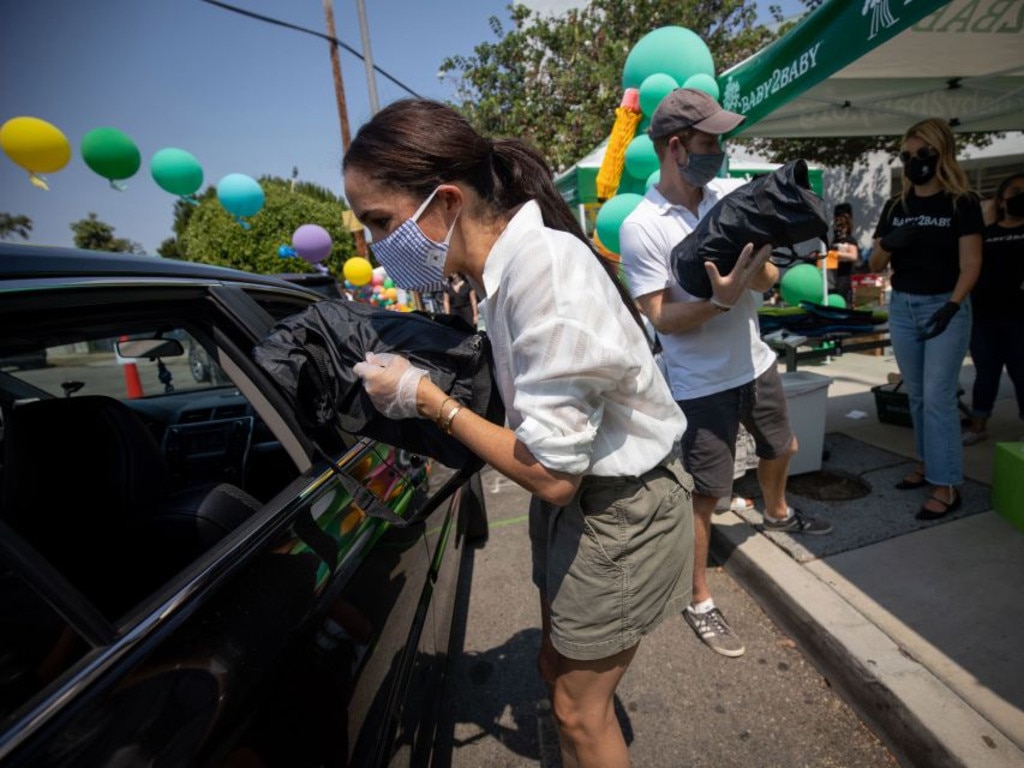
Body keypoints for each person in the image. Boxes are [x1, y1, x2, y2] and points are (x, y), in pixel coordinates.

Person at [344, 98, 694, 768]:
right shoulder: (500, 275)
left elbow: (553, 475)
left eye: (381, 223)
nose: (377, 247)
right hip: (582, 504)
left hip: (615, 509)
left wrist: (424, 399)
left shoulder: (545, 276)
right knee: (555, 664)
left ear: (444, 204)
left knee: (576, 714)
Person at [619, 88, 833, 660]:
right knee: (707, 494)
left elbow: (762, 281)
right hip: (699, 382)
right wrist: (717, 302)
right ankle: (698, 597)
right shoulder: (642, 227)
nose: (720, 150)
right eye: (710, 141)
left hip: (754, 361)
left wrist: (754, 274)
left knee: (782, 444)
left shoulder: (730, 197)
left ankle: (777, 512)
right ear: (676, 146)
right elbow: (662, 316)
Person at [869, 117, 984, 520]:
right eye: (907, 155)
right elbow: (874, 261)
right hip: (902, 305)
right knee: (916, 395)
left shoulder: (961, 203)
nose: (915, 161)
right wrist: (889, 242)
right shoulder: (896, 207)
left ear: (942, 154)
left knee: (938, 398)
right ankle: (927, 463)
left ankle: (948, 483)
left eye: (924, 154)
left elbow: (971, 264)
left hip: (944, 305)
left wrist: (952, 306)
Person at [962, 172, 1024, 445]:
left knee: (1022, 372)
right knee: (986, 373)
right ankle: (978, 425)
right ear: (1001, 200)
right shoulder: (986, 234)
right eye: (1016, 192)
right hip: (984, 315)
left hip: (1020, 318)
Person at [829, 203, 861, 307]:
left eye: (841, 226)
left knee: (844, 299)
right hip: (834, 275)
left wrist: (837, 254)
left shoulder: (850, 240)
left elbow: (854, 256)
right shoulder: (835, 240)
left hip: (846, 275)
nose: (838, 228)